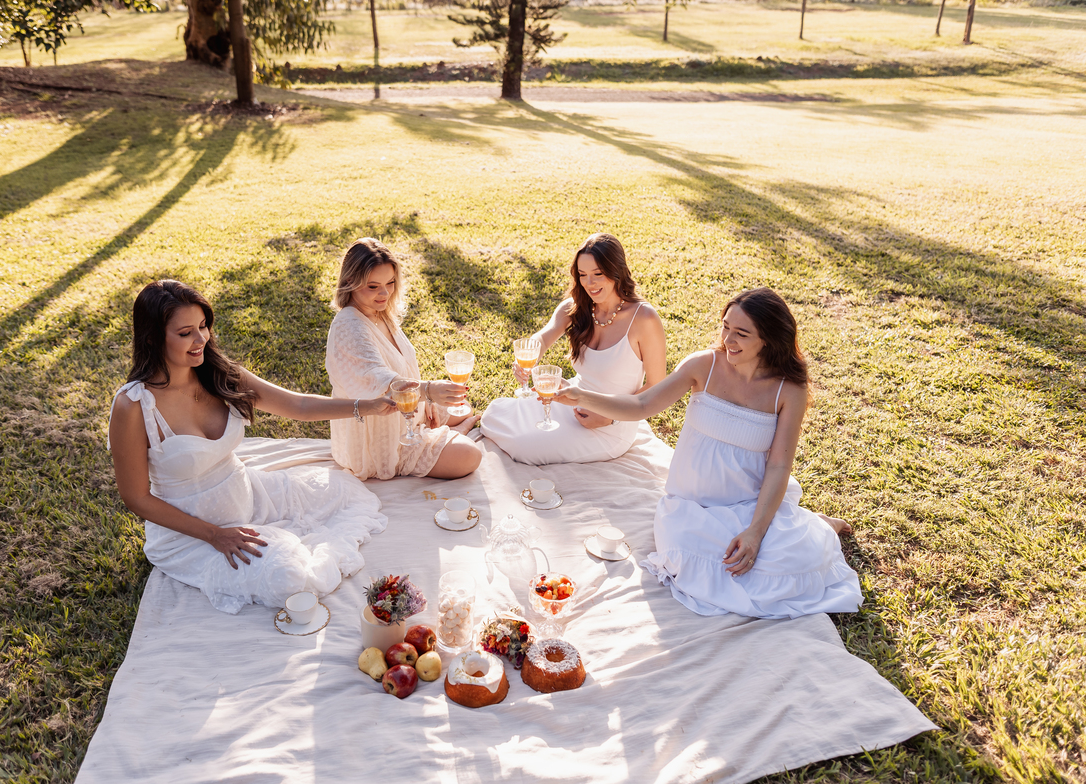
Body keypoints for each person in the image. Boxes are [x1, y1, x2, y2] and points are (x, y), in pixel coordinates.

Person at [555, 287, 862, 619]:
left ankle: (813, 527)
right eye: (726, 326)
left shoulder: (789, 391)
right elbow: (642, 404)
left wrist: (756, 533)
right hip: (691, 506)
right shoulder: (704, 365)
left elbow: (778, 466)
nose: (728, 338)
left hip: (749, 505)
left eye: (741, 333)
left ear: (769, 340)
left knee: (785, 567)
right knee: (689, 562)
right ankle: (804, 525)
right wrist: (581, 396)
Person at [108, 279, 396, 615]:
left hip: (249, 494)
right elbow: (136, 498)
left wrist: (369, 405)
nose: (201, 339)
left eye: (203, 326)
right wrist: (216, 535)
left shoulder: (220, 375)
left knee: (345, 492)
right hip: (193, 536)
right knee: (290, 578)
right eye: (185, 333)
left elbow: (298, 406)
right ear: (152, 338)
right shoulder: (134, 406)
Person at [480, 233, 667, 465]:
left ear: (617, 270)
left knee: (524, 446)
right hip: (572, 398)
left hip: (613, 423)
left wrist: (610, 417)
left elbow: (657, 388)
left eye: (598, 274)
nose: (590, 284)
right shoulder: (577, 307)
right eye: (583, 275)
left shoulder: (644, 319)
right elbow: (543, 338)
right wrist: (528, 359)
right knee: (496, 414)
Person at [325, 238, 482, 481]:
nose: (385, 293)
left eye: (390, 283)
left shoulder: (380, 314)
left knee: (462, 406)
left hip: (407, 412)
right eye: (373, 286)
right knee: (469, 455)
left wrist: (427, 401)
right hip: (380, 441)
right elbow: (381, 385)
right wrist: (428, 391)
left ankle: (443, 430)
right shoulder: (349, 325)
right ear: (350, 283)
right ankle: (453, 434)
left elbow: (402, 370)